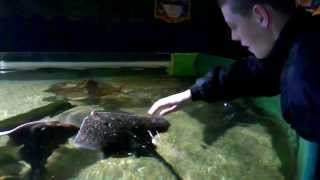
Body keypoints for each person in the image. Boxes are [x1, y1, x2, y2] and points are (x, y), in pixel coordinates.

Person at [148, 0, 320, 179]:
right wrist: (191, 93)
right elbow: (257, 72)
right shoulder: (304, 34)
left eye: (234, 26)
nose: (233, 36)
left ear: (260, 16)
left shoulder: (304, 82)